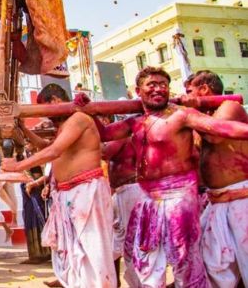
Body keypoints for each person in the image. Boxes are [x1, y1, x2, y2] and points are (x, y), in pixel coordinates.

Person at [86, 66, 248, 287]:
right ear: (138, 91)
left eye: (163, 85)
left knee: (184, 257)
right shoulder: (136, 122)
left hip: (180, 196)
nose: (158, 89)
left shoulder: (181, 115)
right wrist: (87, 110)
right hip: (148, 198)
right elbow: (104, 134)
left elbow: (221, 128)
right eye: (152, 85)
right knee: (145, 257)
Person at [3, 83, 117, 287]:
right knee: (73, 254)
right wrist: (25, 131)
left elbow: (54, 151)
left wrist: (17, 166)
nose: (48, 117)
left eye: (46, 109)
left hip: (86, 191)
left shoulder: (79, 118)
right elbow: (47, 146)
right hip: (68, 195)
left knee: (93, 251)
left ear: (55, 101)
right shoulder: (65, 126)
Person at [185, 70, 248, 286]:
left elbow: (214, 135)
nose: (185, 96)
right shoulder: (202, 119)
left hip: (242, 200)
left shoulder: (229, 107)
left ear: (203, 89)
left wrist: (189, 112)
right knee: (213, 266)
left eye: (189, 91)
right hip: (216, 203)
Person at [102, 136, 144, 287]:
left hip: (132, 190)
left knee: (132, 241)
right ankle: (115, 281)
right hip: (121, 192)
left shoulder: (123, 135)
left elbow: (104, 152)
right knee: (117, 238)